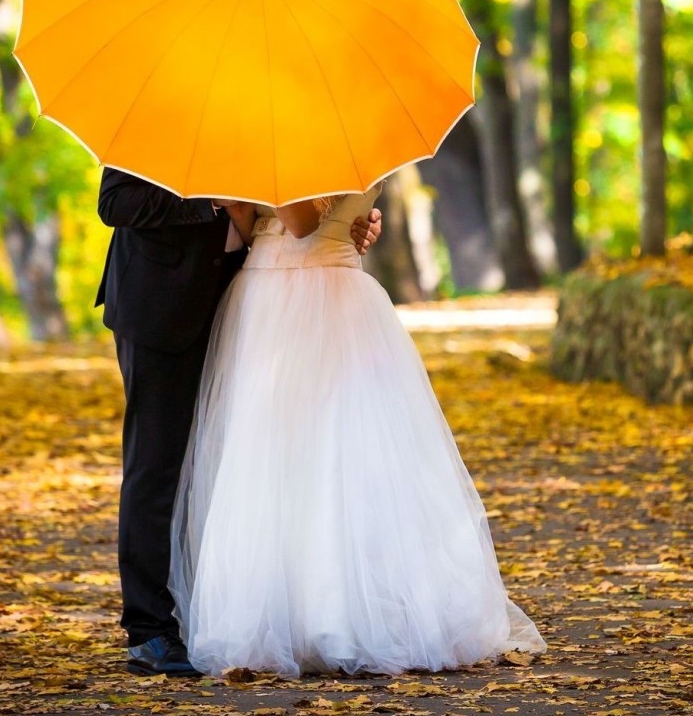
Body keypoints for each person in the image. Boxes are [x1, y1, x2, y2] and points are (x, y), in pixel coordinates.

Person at [170, 186, 545, 676]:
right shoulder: (348, 135)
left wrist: (251, 181)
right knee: (274, 459)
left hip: (314, 297)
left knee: (334, 452)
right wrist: (238, 201)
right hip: (274, 292)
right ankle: (294, 614)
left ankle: (341, 617)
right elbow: (252, 223)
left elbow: (301, 221)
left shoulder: (302, 142)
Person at [96, 168, 381, 676]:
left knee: (223, 466)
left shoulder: (260, 112)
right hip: (161, 302)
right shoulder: (165, 102)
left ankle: (201, 609)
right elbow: (115, 204)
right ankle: (149, 631)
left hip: (241, 298)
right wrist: (211, 203)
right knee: (158, 464)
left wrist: (349, 217)